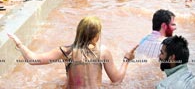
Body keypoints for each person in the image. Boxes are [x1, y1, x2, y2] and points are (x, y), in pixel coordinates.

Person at [7, 16, 138, 88]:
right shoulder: (102, 52)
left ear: (78, 32)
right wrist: (126, 59)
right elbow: (116, 80)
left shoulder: (66, 51)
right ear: (97, 35)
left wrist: (19, 44)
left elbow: (32, 60)